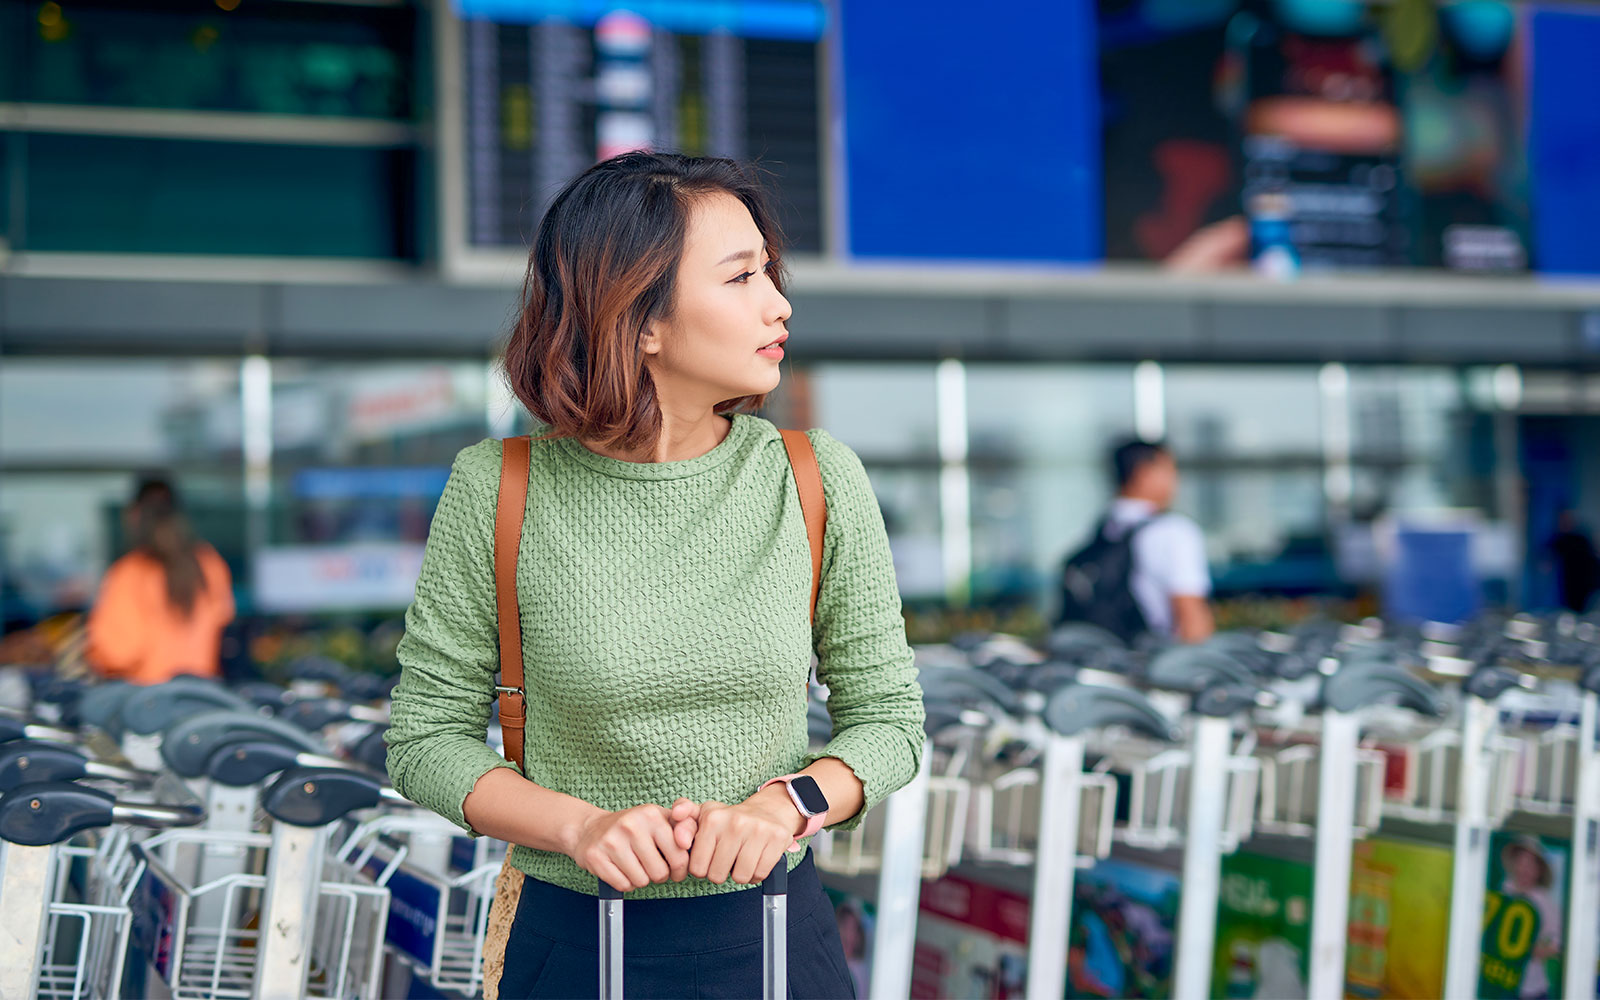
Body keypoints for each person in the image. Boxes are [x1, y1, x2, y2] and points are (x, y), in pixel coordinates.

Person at [384, 152, 924, 999]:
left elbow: (891, 721)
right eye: (742, 277)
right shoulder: (498, 487)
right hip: (572, 939)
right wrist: (580, 827)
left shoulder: (814, 477)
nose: (778, 303)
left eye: (770, 272)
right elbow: (424, 740)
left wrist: (786, 806)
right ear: (639, 320)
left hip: (780, 933)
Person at [1057, 439, 1214, 644]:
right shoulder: (1174, 531)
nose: (1175, 480)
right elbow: (1190, 614)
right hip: (1153, 660)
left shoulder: (1102, 529)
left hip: (1100, 660)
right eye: (1169, 470)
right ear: (1144, 473)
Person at [85, 478, 234, 684]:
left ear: (136, 515)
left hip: (147, 701)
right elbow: (223, 623)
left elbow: (117, 652)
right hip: (202, 695)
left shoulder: (131, 572)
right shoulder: (209, 564)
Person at [1547, 510, 1600, 614]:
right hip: (1571, 580)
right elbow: (1548, 554)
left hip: (1586, 580)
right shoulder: (1560, 539)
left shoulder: (1581, 538)